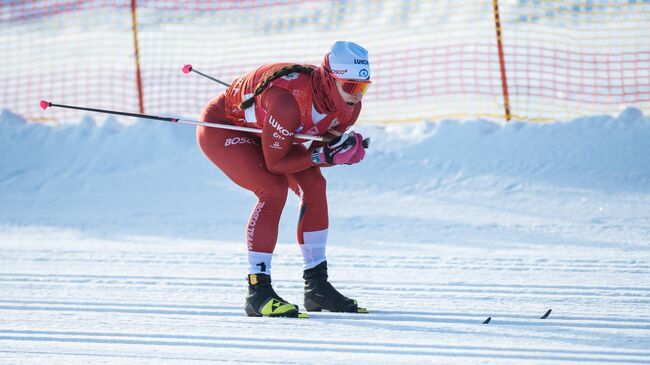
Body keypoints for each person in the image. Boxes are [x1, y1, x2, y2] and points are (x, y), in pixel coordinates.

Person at [196, 41, 371, 317]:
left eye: (363, 88)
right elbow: (276, 164)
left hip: (271, 130)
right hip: (225, 127)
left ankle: (317, 287)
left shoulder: (350, 107)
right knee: (272, 189)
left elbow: (318, 149)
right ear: (329, 79)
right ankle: (258, 292)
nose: (357, 96)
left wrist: (340, 151)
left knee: (314, 185)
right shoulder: (287, 101)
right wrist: (324, 155)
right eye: (350, 87)